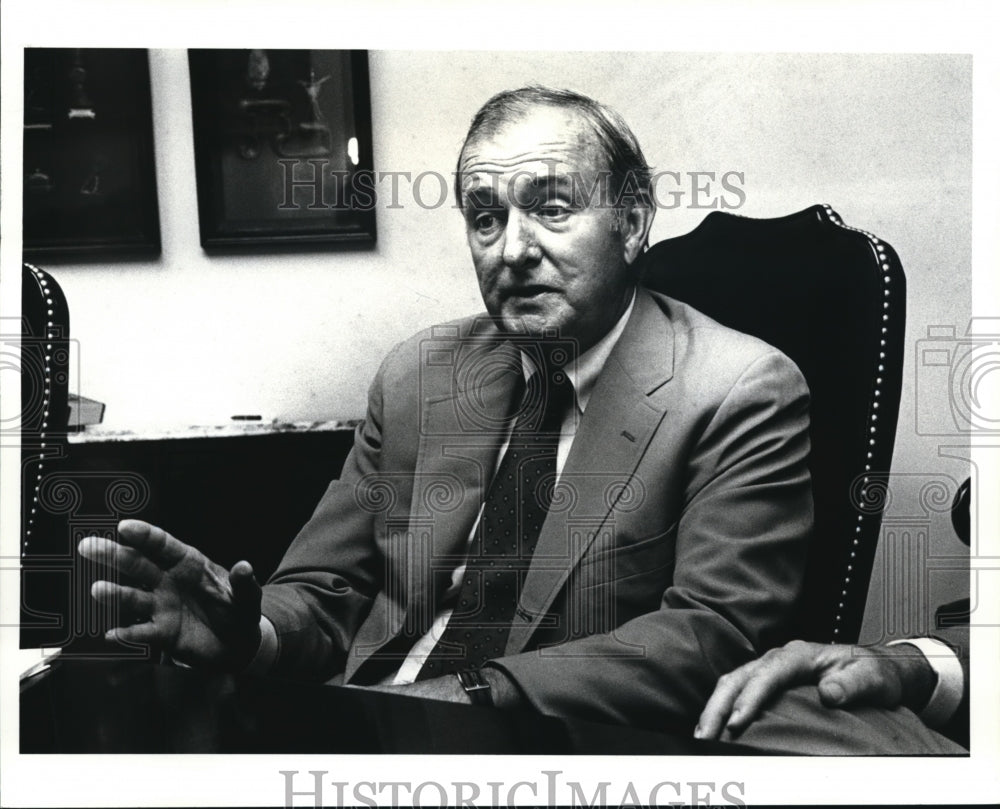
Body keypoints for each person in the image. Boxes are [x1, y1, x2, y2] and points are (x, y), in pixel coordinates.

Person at [79, 86, 817, 732]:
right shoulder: (419, 374)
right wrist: (253, 636)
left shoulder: (737, 386)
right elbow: (325, 587)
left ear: (630, 223)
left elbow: (710, 632)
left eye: (552, 208)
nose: (513, 250)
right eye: (485, 218)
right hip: (360, 732)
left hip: (558, 751)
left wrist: (469, 694)